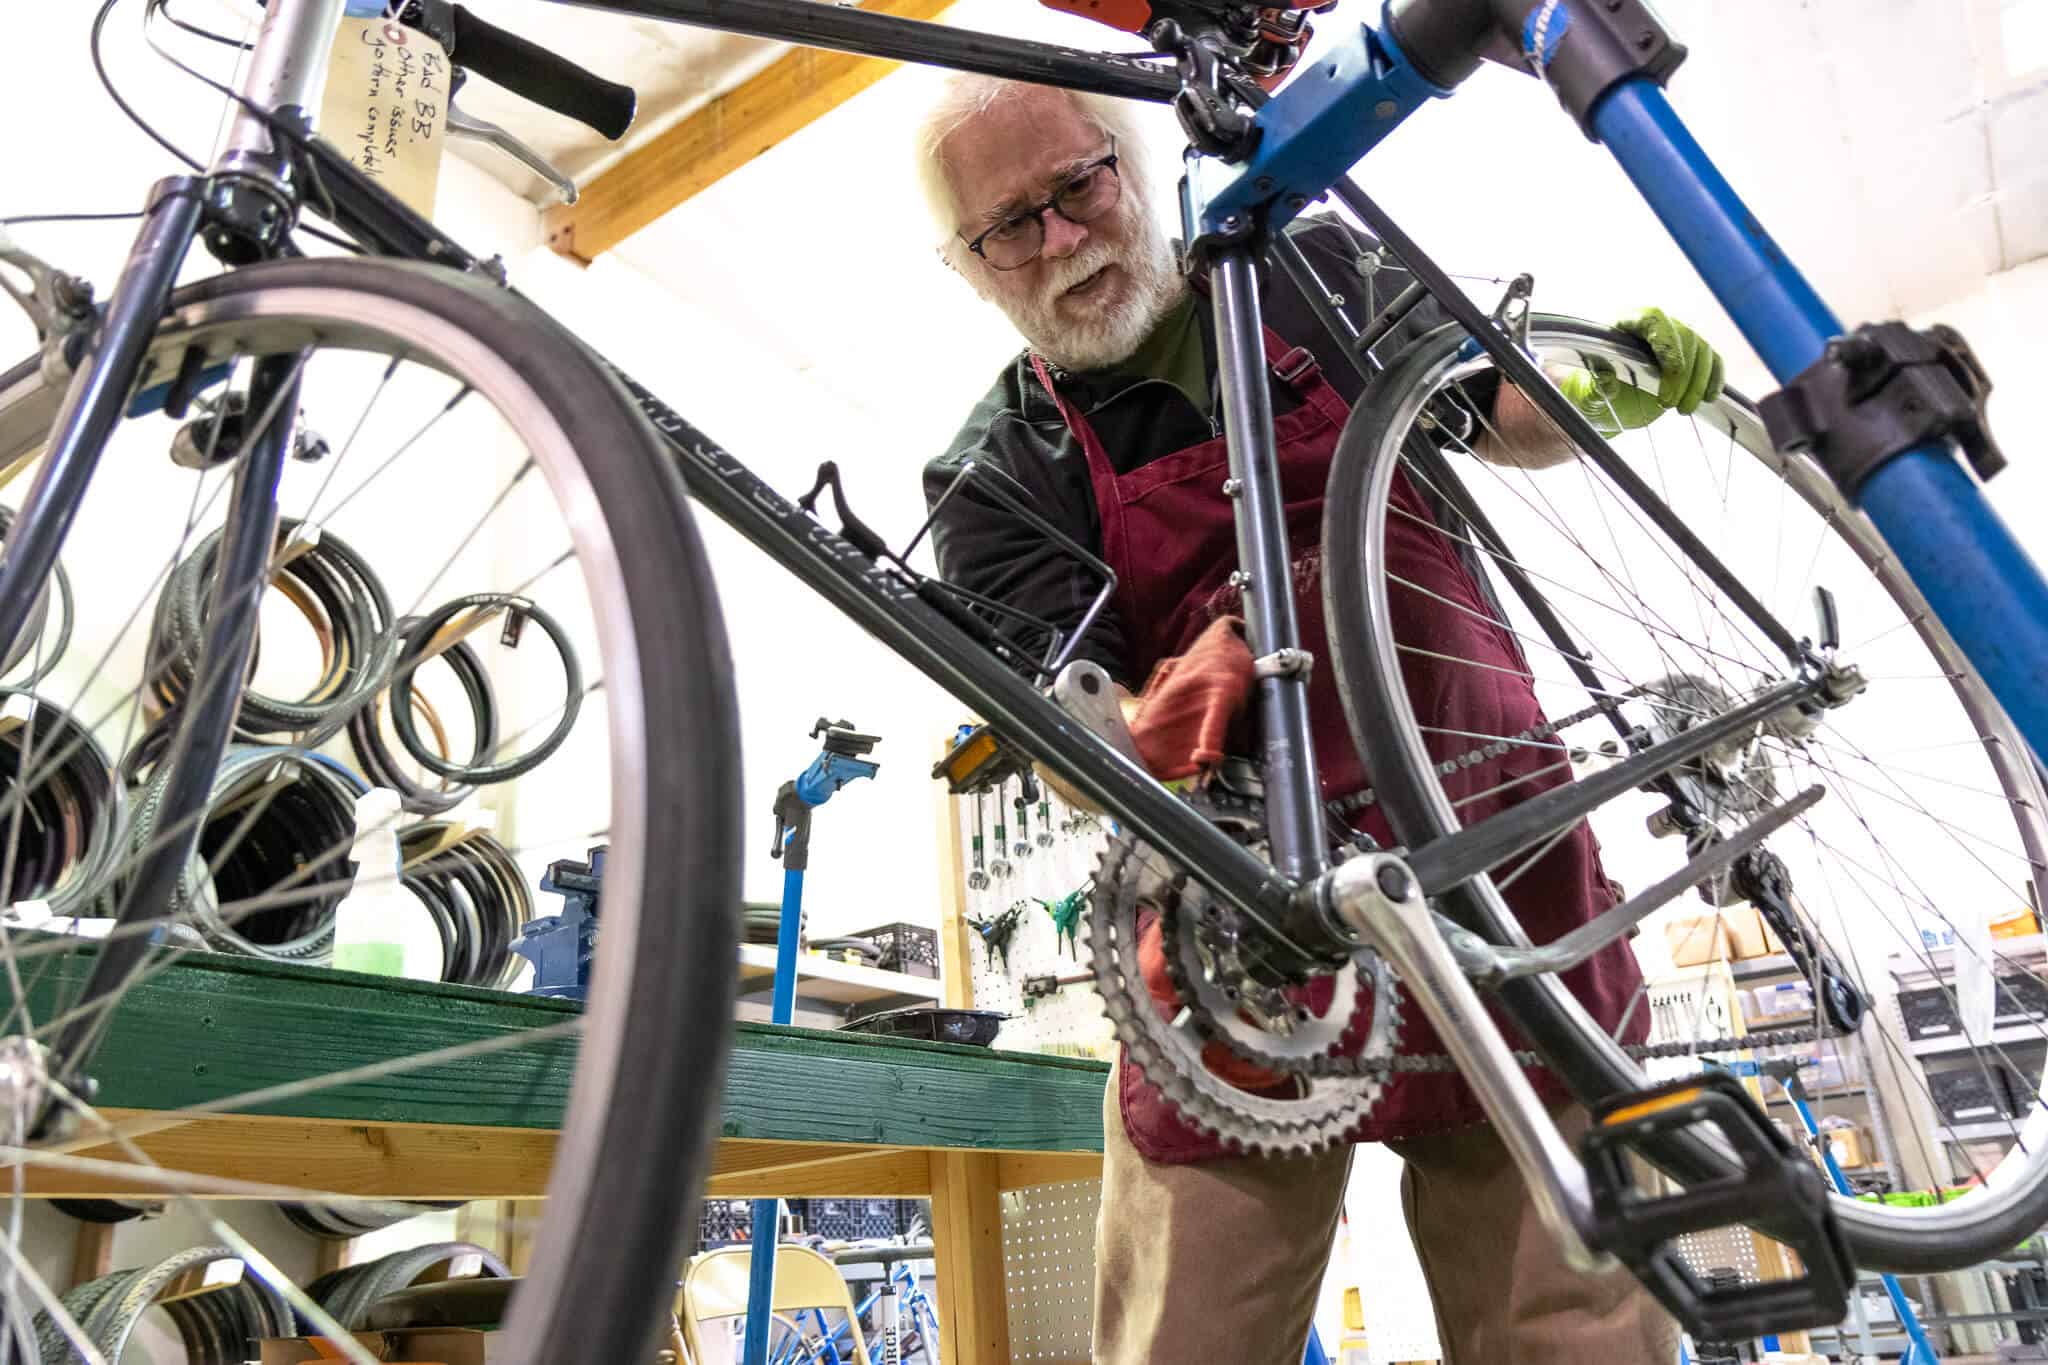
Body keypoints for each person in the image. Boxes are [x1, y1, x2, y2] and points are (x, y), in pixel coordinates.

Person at [915, 72, 1723, 1365]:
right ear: (968, 266)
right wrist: (1141, 725)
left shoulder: (1318, 272)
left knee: (1572, 1325)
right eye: (1012, 225)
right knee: (1187, 1336)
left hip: (1496, 850)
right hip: (1241, 925)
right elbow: (1065, 734)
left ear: (1131, 166)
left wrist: (1582, 393)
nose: (1062, 240)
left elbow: (1477, 400)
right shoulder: (996, 471)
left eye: (1079, 187)